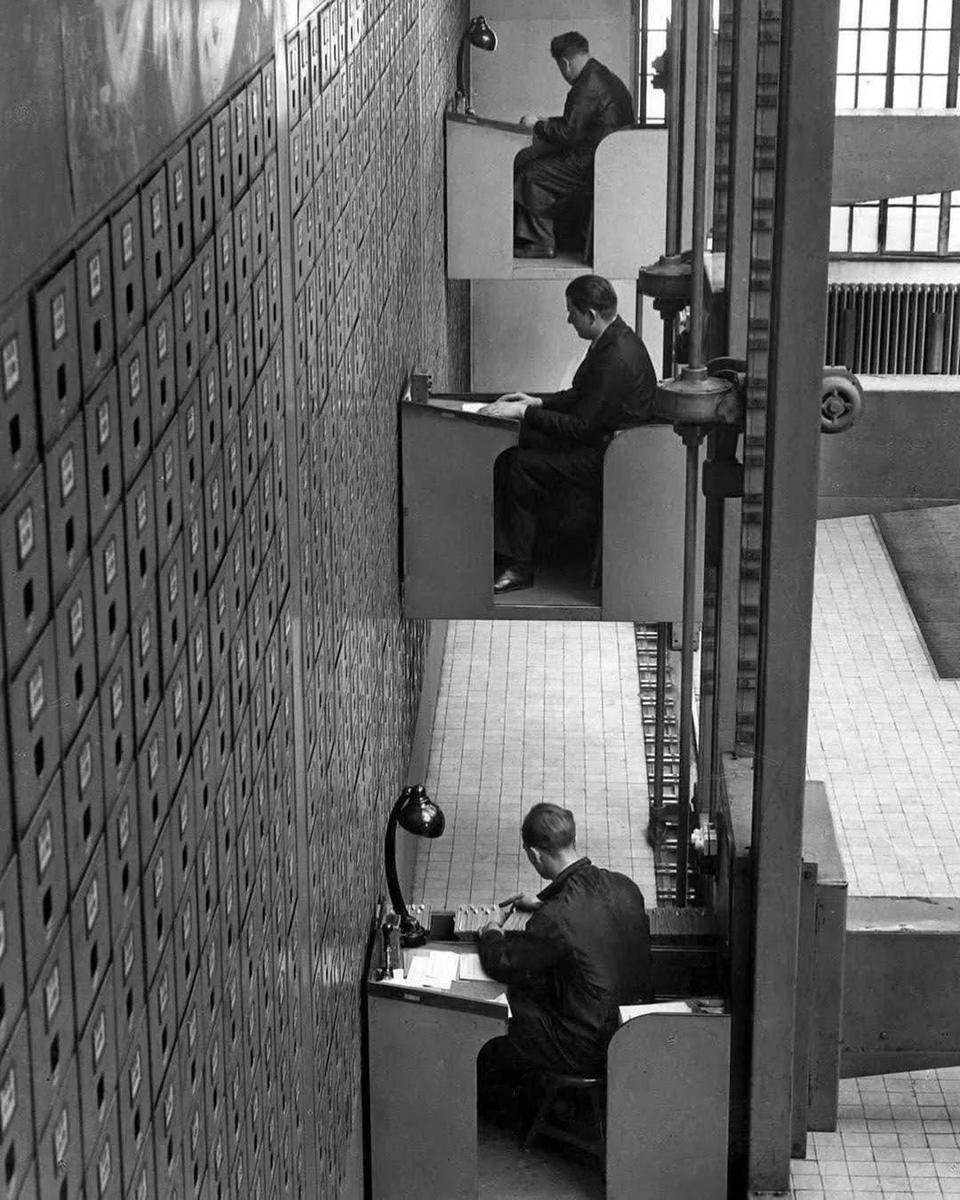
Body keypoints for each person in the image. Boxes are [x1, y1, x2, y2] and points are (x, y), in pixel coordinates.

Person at [479, 274, 657, 595]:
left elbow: (579, 428)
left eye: (571, 312)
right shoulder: (614, 338)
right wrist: (537, 402)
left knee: (516, 465)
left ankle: (518, 566)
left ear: (589, 314)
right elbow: (579, 395)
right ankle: (508, 548)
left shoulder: (615, 359)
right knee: (522, 441)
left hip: (607, 458)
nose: (568, 320)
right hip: (601, 443)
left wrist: (525, 414)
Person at [476, 803, 653, 1119]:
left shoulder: (553, 919)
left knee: (501, 1017)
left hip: (588, 1047)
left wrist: (491, 929)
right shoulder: (625, 885)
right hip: (633, 1029)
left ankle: (513, 1114)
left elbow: (501, 963)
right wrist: (544, 901)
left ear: (535, 855)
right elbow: (587, 910)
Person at [514, 32, 634, 259]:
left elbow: (569, 133)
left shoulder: (586, 86)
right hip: (606, 157)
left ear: (564, 63)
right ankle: (540, 235)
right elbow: (580, 125)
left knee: (530, 173)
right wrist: (546, 122)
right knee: (533, 163)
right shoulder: (602, 76)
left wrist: (537, 125)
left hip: (590, 164)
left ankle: (541, 242)